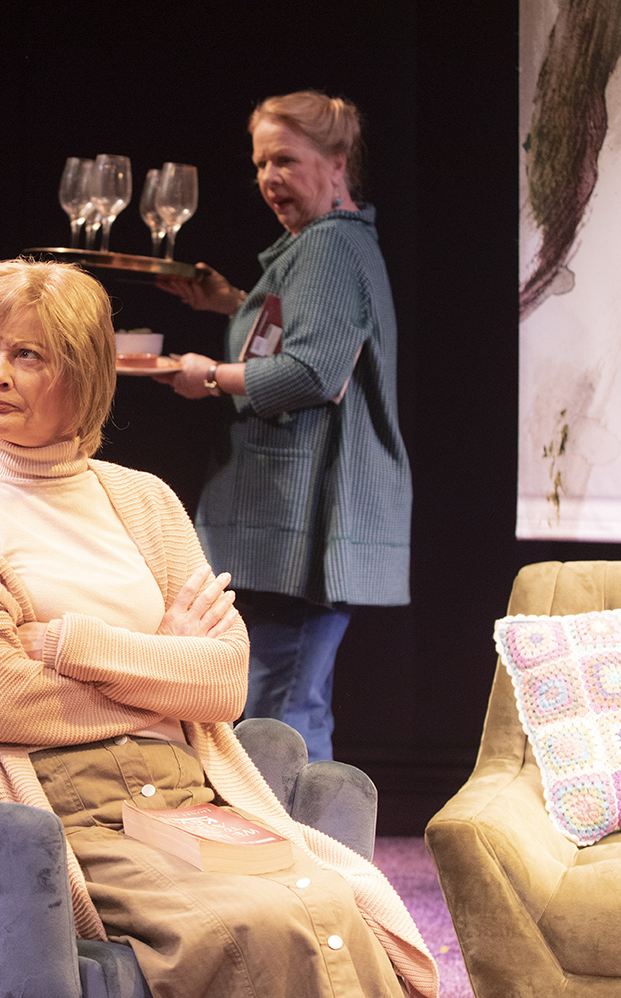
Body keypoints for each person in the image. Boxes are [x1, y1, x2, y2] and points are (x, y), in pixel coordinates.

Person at [0, 257, 435, 998]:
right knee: (242, 925)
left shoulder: (142, 499)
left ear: (84, 375)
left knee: (324, 905)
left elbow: (220, 684)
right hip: (67, 810)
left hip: (187, 792)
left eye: (27, 355)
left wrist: (69, 644)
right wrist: (161, 667)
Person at [155, 91, 411, 763]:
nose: (269, 178)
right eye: (261, 163)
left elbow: (310, 372)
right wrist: (230, 302)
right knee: (290, 705)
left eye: (285, 161)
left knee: (277, 716)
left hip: (300, 525)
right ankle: (314, 858)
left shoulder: (328, 247)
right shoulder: (322, 245)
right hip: (289, 524)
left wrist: (207, 374)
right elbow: (309, 336)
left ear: (336, 163)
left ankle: (297, 861)